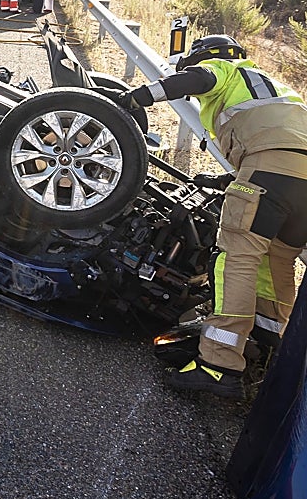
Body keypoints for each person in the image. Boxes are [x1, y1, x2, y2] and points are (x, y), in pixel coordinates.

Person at [116, 35, 307, 397]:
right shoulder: (276, 89)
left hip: (267, 174)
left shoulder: (224, 69)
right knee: (277, 263)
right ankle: (267, 343)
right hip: (302, 184)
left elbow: (198, 80)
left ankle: (219, 364)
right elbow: (282, 150)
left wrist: (136, 98)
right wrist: (223, 179)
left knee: (235, 260)